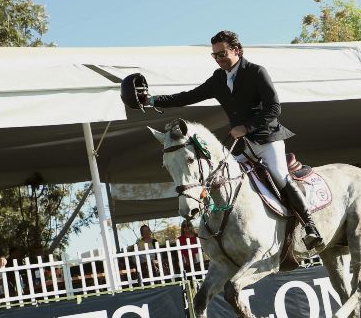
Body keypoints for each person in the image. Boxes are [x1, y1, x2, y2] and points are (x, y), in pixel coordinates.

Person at [132, 30, 324, 251]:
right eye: (215, 55)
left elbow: (274, 108)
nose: (219, 59)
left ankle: (310, 226)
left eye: (222, 53)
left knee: (280, 176)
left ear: (237, 50)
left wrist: (246, 127)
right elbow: (189, 96)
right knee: (221, 178)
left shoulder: (256, 72)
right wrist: (152, 100)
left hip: (267, 140)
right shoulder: (218, 79)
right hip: (244, 146)